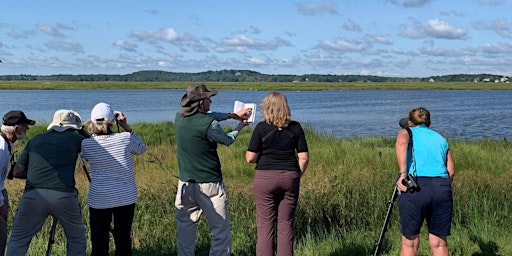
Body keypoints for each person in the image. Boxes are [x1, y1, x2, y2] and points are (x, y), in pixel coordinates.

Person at [174, 83, 252, 256]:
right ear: (202, 103)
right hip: (210, 186)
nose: (211, 102)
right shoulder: (209, 124)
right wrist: (239, 127)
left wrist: (232, 115)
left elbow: (210, 116)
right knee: (220, 232)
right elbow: (227, 140)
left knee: (185, 235)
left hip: (185, 184)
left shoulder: (178, 117)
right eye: (209, 98)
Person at [6, 109, 89, 256]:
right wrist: (82, 131)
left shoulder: (35, 140)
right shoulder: (76, 139)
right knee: (76, 239)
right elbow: (96, 149)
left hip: (33, 195)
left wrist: (37, 175)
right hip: (64, 195)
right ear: (72, 127)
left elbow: (17, 171)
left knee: (18, 239)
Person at [245, 91, 309, 256]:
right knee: (286, 224)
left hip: (265, 178)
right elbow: (304, 158)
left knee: (265, 224)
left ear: (267, 107)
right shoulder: (296, 127)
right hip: (289, 176)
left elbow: (250, 158)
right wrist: (296, 175)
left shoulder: (261, 127)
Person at [81, 102, 146, 256]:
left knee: (99, 241)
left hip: (99, 199)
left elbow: (87, 151)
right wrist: (125, 126)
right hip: (125, 197)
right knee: (123, 239)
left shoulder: (86, 144)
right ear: (113, 121)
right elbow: (141, 148)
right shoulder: (125, 138)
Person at [395, 107, 455, 256]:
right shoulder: (441, 138)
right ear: (429, 122)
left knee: (410, 243)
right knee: (440, 243)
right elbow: (451, 171)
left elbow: (402, 144)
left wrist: (403, 174)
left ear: (410, 122)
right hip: (442, 187)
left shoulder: (407, 132)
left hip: (417, 186)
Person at [0, 110, 35, 256]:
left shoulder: (6, 143)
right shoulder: (1, 147)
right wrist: (1, 204)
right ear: (15, 128)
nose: (26, 129)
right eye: (25, 126)